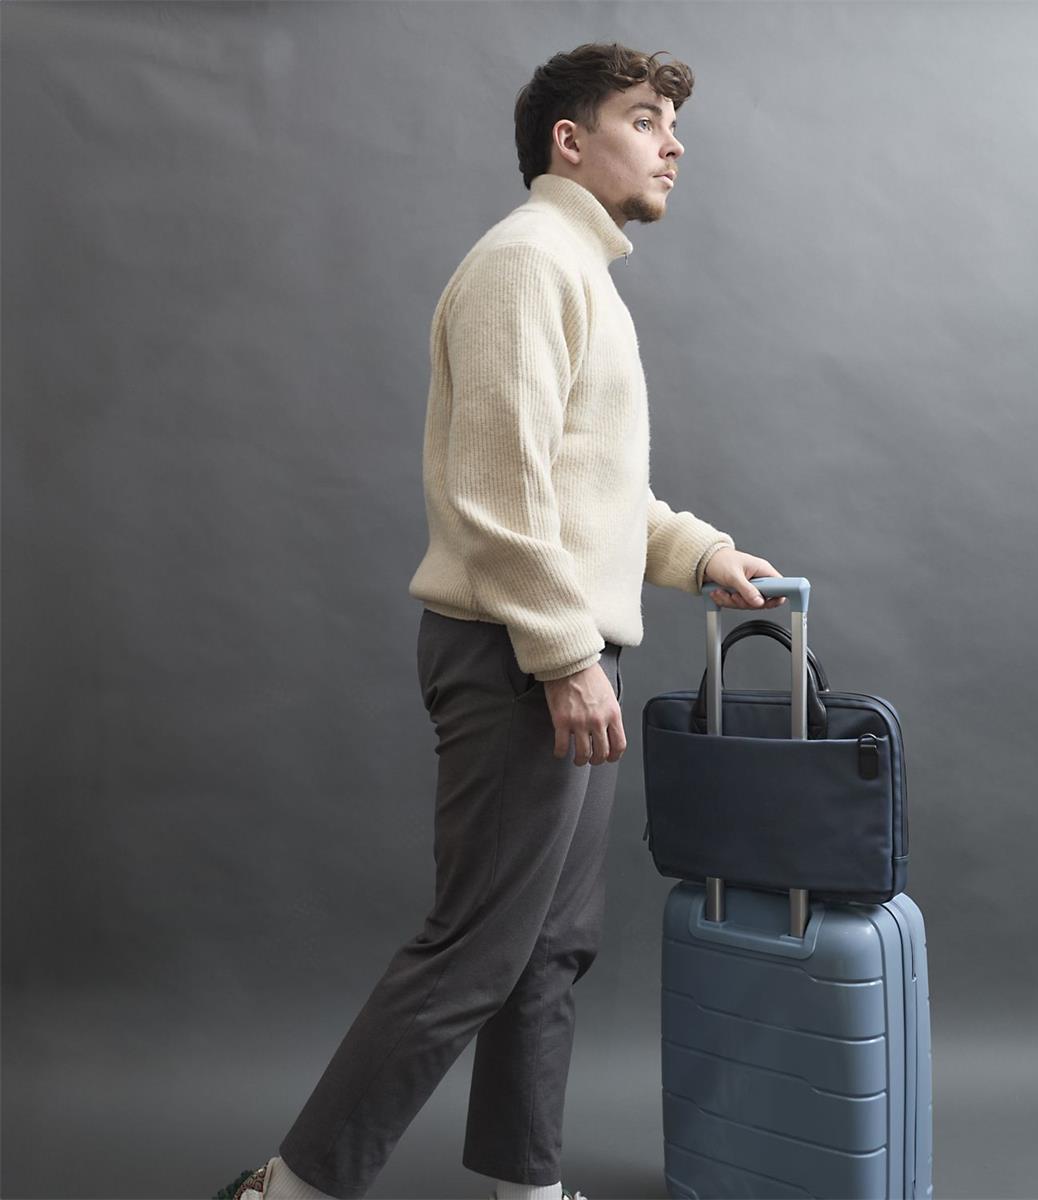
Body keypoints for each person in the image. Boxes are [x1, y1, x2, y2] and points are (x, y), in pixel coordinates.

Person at [215, 40, 785, 1200]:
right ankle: (289, 1190)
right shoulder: (526, 264)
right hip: (524, 657)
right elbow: (495, 493)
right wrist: (567, 656)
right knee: (476, 945)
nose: (673, 145)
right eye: (644, 119)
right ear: (569, 142)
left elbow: (590, 493)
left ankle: (526, 1188)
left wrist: (701, 554)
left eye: (673, 124)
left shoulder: (579, 272)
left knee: (550, 948)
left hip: (562, 651)